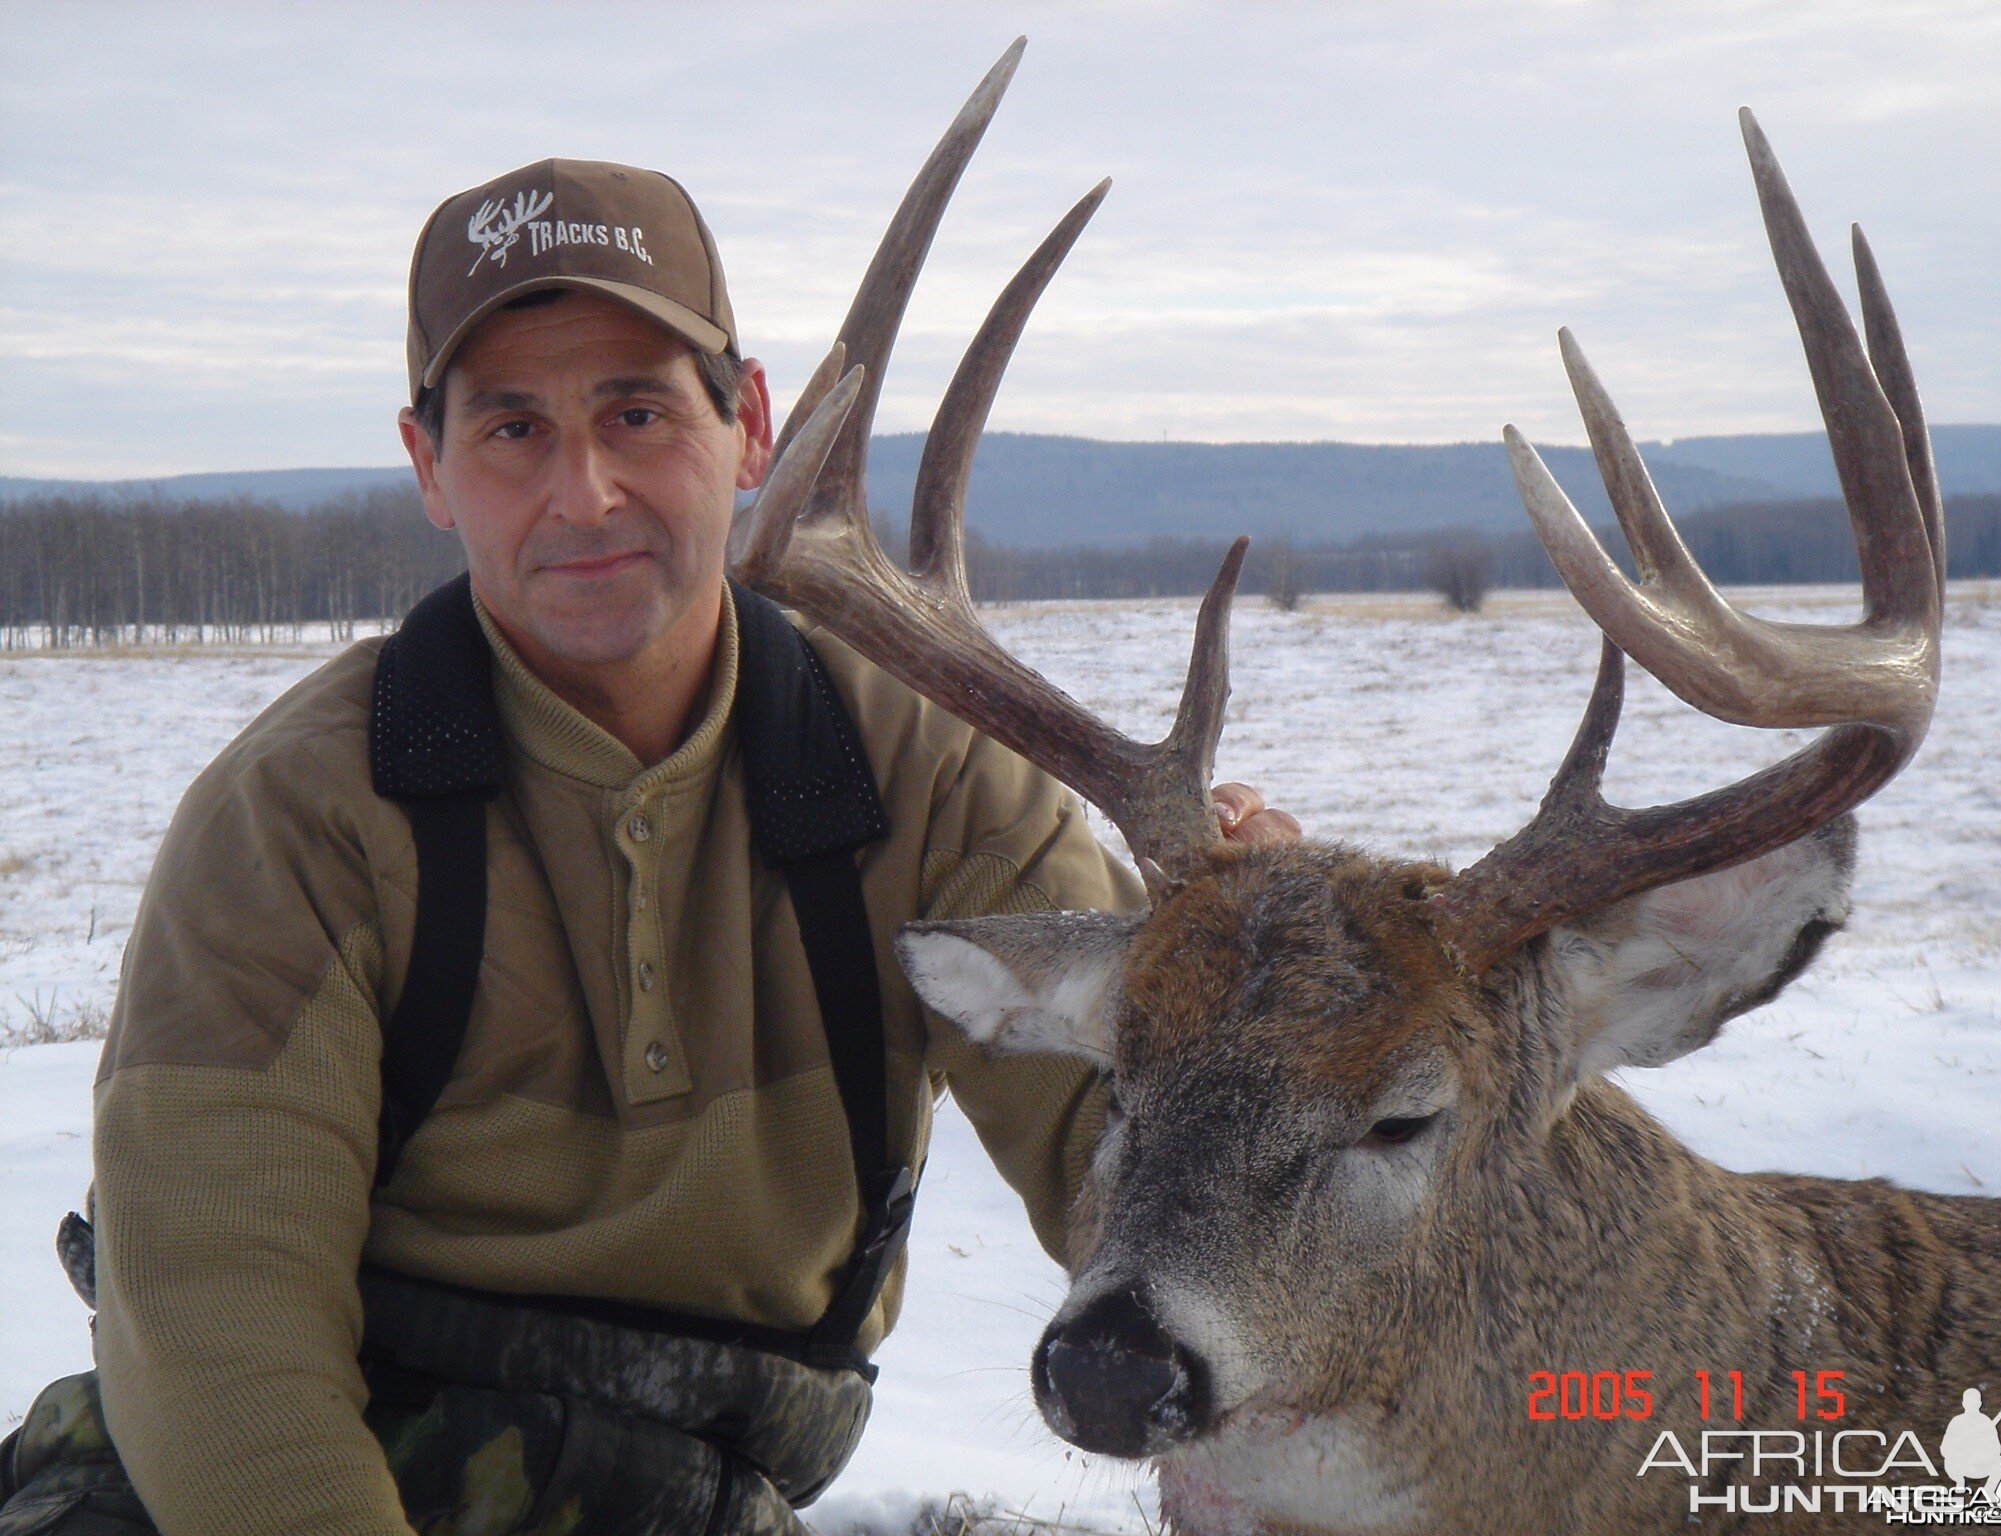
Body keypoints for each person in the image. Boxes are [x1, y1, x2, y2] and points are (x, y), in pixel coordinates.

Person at [0, 154, 1296, 1536]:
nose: (588, 493)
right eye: (512, 430)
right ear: (427, 465)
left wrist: (1277, 1008)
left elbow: (1139, 1164)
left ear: (748, 424)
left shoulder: (925, 775)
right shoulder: (298, 817)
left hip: (697, 1490)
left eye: (636, 412)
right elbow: (220, 1334)